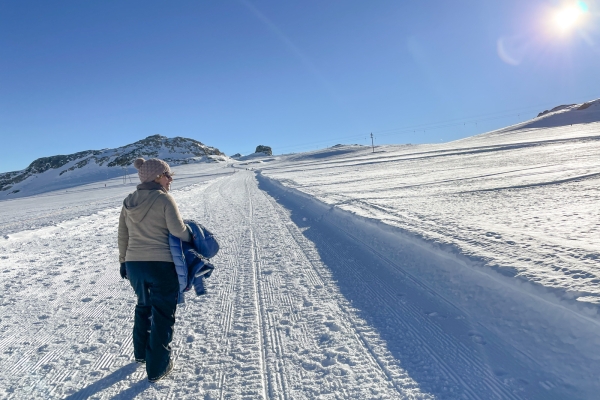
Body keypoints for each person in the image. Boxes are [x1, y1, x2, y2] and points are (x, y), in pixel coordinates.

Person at [117, 157, 191, 382]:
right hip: (160, 265)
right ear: (157, 176)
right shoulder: (164, 199)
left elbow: (123, 235)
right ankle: (158, 368)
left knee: (143, 307)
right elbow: (178, 231)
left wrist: (123, 261)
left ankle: (141, 355)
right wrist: (193, 236)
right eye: (168, 175)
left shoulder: (129, 201)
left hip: (134, 265)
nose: (170, 180)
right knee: (162, 314)